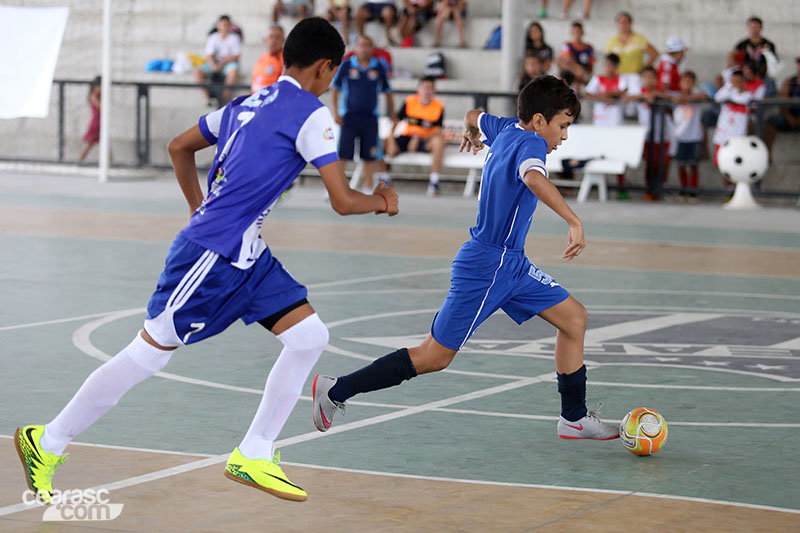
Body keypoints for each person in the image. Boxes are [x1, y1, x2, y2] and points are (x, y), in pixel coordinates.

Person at [14, 17, 399, 506]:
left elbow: (179, 147)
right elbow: (343, 201)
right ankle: (46, 443)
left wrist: (198, 205)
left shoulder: (245, 104)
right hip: (212, 256)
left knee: (309, 336)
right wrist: (382, 200)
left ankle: (254, 452)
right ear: (326, 68)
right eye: (333, 74)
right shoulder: (312, 113)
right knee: (147, 354)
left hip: (248, 256)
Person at [312, 75, 619, 444]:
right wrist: (573, 220)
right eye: (563, 126)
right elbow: (534, 178)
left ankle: (573, 418)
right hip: (487, 267)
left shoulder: (506, 127)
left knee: (574, 319)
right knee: (433, 356)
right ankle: (336, 390)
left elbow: (474, 115)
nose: (565, 136)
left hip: (513, 265)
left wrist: (473, 131)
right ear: (539, 121)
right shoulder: (532, 145)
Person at [331, 35, 396, 193]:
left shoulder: (379, 67)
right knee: (343, 154)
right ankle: (336, 188)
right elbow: (335, 89)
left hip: (370, 117)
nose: (364, 48)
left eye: (368, 45)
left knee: (370, 154)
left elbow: (388, 91)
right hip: (349, 116)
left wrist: (393, 113)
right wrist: (335, 112)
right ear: (355, 47)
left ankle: (367, 187)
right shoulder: (346, 66)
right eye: (361, 45)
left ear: (372, 48)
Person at [387, 76, 445, 196]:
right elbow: (396, 122)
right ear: (418, 88)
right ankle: (384, 177)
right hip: (407, 137)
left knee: (438, 141)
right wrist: (390, 140)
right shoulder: (409, 102)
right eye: (424, 87)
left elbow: (438, 130)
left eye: (430, 88)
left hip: (425, 139)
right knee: (377, 142)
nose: (427, 91)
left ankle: (434, 181)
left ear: (434, 91)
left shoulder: (438, 106)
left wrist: (418, 137)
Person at [584, 53, 630, 199]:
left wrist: (605, 94)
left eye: (611, 65)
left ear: (616, 67)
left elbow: (622, 93)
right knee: (601, 153)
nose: (608, 68)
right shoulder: (598, 79)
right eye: (606, 65)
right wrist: (606, 96)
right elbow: (588, 94)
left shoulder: (621, 79)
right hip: (600, 122)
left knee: (619, 154)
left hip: (615, 122)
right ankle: (604, 187)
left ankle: (621, 187)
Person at [624, 66, 671, 201]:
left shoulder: (661, 91)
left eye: (651, 77)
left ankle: (661, 189)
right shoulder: (639, 92)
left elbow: (673, 99)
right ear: (641, 79)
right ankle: (649, 190)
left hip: (662, 134)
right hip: (646, 135)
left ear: (656, 79)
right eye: (645, 77)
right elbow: (626, 99)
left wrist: (657, 95)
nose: (648, 80)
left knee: (662, 162)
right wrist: (643, 96)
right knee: (649, 163)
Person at [713, 68, 764, 183]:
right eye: (732, 81)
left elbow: (741, 100)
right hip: (722, 134)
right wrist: (727, 88)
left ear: (742, 82)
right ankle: (727, 191)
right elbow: (717, 97)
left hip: (737, 136)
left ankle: (734, 189)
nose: (734, 84)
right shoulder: (729, 91)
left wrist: (730, 96)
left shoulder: (748, 95)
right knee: (722, 163)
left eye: (737, 81)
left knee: (734, 163)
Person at [670, 71, 709, 201]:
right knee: (681, 164)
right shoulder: (675, 96)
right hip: (680, 137)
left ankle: (693, 191)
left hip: (694, 137)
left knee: (693, 164)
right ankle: (683, 190)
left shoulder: (697, 96)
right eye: (684, 81)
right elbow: (668, 96)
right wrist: (681, 99)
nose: (687, 84)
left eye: (690, 82)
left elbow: (705, 95)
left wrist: (686, 99)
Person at [605, 12, 658, 97]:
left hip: (635, 75)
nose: (623, 24)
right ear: (617, 24)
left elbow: (654, 54)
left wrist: (644, 68)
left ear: (630, 23)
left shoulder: (639, 39)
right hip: (618, 76)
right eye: (620, 22)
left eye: (625, 22)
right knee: (618, 101)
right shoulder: (611, 41)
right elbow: (609, 61)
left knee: (635, 100)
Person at [194, 15, 242, 106]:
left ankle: (222, 99)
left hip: (228, 64)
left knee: (233, 72)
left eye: (226, 25)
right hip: (214, 64)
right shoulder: (213, 37)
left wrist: (222, 64)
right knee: (197, 71)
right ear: (218, 25)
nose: (224, 27)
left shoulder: (234, 38)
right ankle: (207, 98)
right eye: (222, 24)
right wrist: (213, 65)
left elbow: (236, 56)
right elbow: (209, 55)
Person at [764, 57, 800, 156]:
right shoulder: (790, 81)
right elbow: (783, 102)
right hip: (790, 117)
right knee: (770, 121)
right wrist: (789, 117)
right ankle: (767, 154)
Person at [733, 16, 778, 91]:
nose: (754, 29)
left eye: (756, 27)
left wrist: (758, 74)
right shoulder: (742, 44)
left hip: (762, 76)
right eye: (752, 27)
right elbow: (735, 59)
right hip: (744, 75)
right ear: (748, 28)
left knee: (769, 84)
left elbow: (773, 63)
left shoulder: (768, 44)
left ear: (761, 28)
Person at [556, 21, 595, 86]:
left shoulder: (589, 47)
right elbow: (567, 59)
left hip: (583, 73)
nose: (576, 34)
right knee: (558, 60)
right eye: (574, 32)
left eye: (578, 32)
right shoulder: (567, 45)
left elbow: (591, 66)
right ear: (571, 33)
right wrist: (578, 69)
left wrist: (584, 72)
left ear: (582, 33)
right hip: (574, 72)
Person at [251, 25, 285, 93]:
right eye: (271, 37)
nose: (274, 41)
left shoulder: (285, 60)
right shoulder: (263, 57)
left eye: (277, 37)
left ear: (283, 40)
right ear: (265, 40)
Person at [78, 76, 101, 163]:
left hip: (101, 122)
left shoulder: (99, 96)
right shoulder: (94, 96)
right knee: (89, 144)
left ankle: (111, 163)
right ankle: (80, 160)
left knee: (106, 144)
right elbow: (101, 107)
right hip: (96, 123)